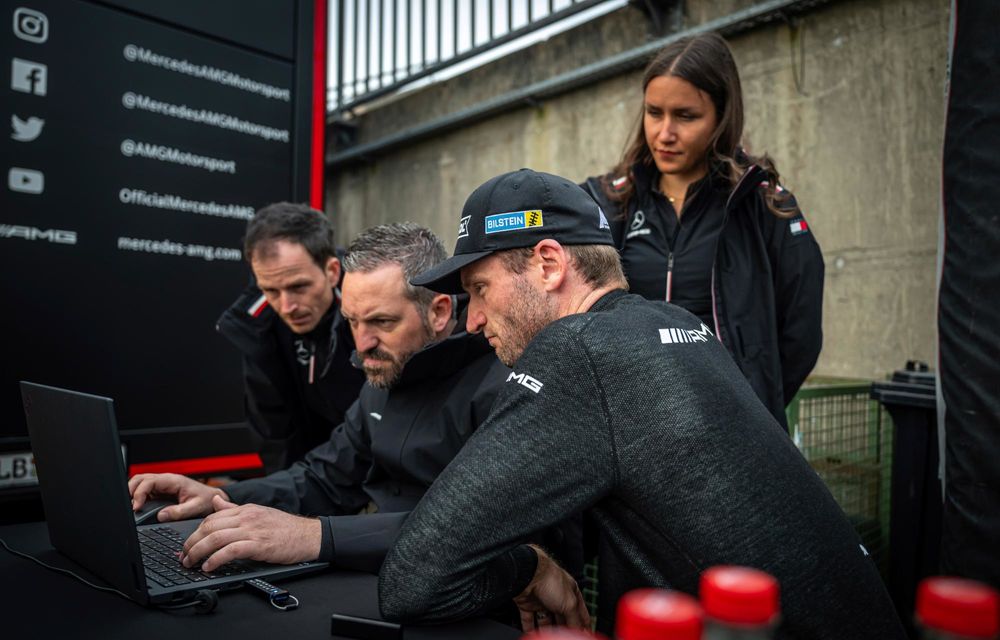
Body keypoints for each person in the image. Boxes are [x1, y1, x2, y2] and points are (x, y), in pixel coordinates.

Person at [378, 169, 906, 639]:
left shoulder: (579, 350)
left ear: (547, 263)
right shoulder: (677, 323)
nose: (472, 322)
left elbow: (413, 578)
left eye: (481, 289)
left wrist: (529, 569)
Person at [130, 223, 510, 573]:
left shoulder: (497, 387)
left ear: (441, 311)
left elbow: (471, 526)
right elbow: (324, 479)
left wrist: (314, 536)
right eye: (352, 321)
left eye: (382, 322)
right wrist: (219, 496)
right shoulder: (384, 372)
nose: (362, 345)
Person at [580, 33, 824, 429]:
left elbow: (802, 331)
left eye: (686, 116)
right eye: (654, 112)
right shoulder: (610, 201)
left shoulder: (762, 203)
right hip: (632, 427)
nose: (665, 133)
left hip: (730, 430)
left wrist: (751, 403)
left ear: (722, 116)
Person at [216, 202, 366, 472]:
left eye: (299, 287)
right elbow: (276, 438)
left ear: (332, 271)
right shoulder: (254, 327)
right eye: (270, 290)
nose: (286, 307)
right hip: (310, 482)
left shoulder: (374, 304)